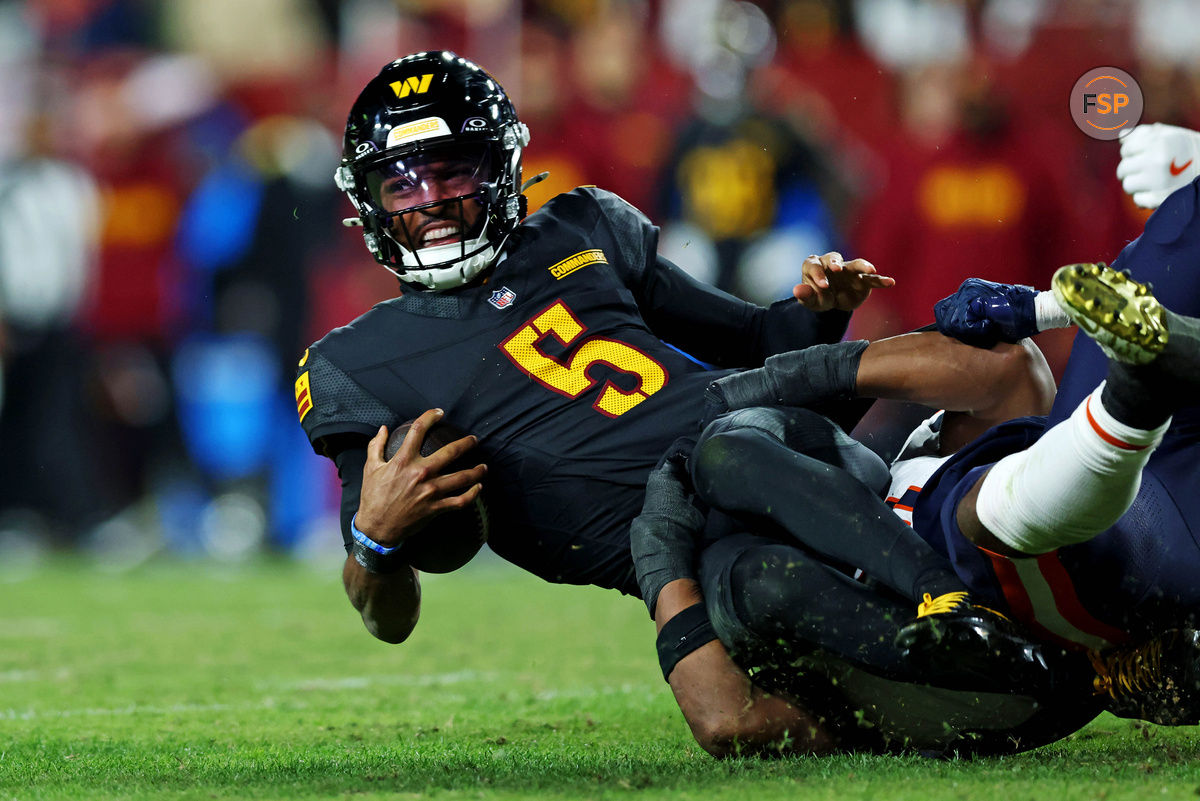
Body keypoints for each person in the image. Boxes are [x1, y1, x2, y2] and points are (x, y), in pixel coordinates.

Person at [296, 51, 892, 644]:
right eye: (401, 185)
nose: (430, 204)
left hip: (758, 471)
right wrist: (376, 542)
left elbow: (760, 341)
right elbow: (389, 619)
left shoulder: (580, 229)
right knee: (749, 714)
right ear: (367, 201)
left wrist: (823, 307)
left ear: (499, 166)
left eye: (452, 172)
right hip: (682, 560)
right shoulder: (350, 365)